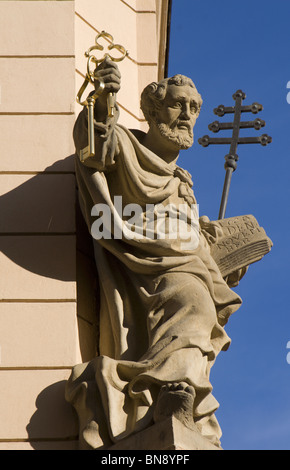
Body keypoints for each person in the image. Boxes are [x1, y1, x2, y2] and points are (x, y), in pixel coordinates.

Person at [65, 58, 243, 450]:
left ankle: (177, 391)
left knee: (198, 304)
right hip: (142, 262)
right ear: (152, 110)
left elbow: (185, 235)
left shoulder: (183, 180)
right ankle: (171, 391)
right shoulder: (128, 146)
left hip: (186, 264)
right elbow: (96, 146)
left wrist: (224, 259)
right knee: (193, 301)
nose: (187, 116)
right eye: (178, 104)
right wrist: (104, 99)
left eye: (194, 108)